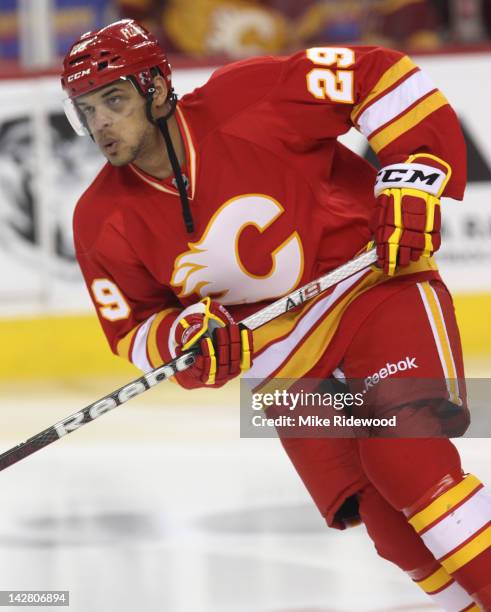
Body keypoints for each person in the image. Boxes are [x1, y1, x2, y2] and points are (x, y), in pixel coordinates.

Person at [61, 19, 491, 609]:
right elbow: (132, 328)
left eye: (114, 100)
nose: (100, 123)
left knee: (407, 460)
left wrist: (414, 175)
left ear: (157, 89)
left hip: (371, 288)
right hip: (283, 362)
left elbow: (379, 74)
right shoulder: (98, 219)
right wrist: (187, 337)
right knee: (386, 523)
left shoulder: (250, 97)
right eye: (86, 110)